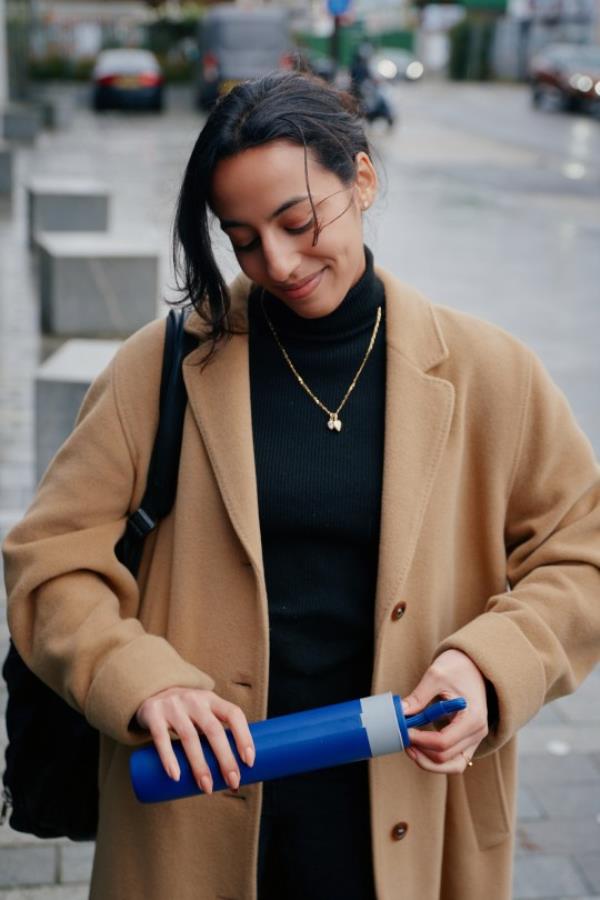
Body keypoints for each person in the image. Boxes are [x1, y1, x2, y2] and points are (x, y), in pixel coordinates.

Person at [3, 70, 600, 900]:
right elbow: (49, 558)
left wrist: (490, 665)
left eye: (297, 220)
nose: (277, 263)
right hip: (191, 813)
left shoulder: (490, 373)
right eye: (242, 238)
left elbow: (583, 553)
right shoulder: (161, 368)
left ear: (362, 177)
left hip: (410, 813)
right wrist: (137, 675)